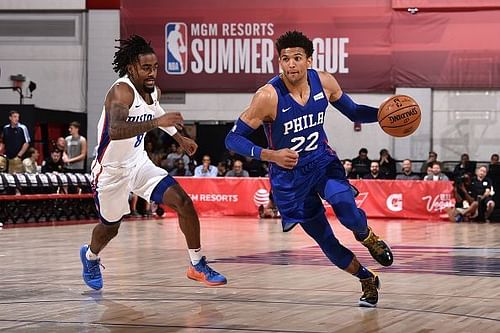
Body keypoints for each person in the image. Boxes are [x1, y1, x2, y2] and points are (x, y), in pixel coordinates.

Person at [225, 31, 392, 307]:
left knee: (347, 210)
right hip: (289, 178)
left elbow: (353, 112)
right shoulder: (268, 96)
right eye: (285, 59)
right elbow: (232, 138)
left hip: (322, 163)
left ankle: (368, 237)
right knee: (326, 240)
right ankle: (366, 278)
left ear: (309, 60)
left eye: (297, 58)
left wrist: (382, 114)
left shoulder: (323, 81)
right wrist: (269, 154)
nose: (290, 64)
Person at [80, 35, 226, 290]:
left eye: (155, 67)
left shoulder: (153, 91)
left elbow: (156, 111)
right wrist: (157, 124)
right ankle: (90, 256)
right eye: (146, 68)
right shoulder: (121, 90)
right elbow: (115, 130)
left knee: (184, 202)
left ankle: (197, 264)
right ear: (131, 67)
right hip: (110, 171)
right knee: (110, 227)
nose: (152, 73)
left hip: (138, 163)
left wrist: (179, 137)